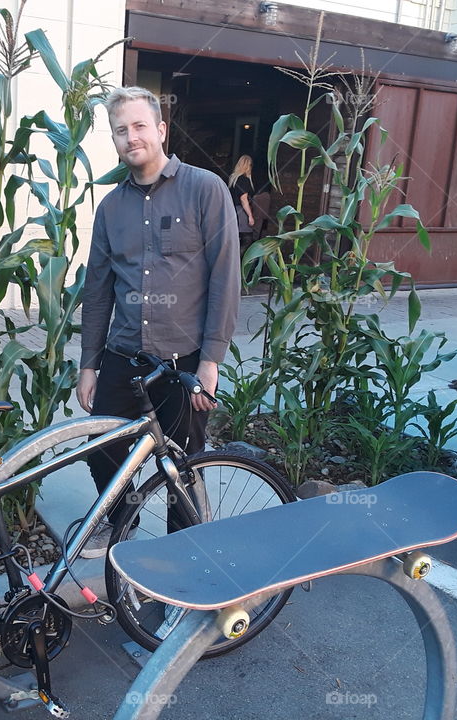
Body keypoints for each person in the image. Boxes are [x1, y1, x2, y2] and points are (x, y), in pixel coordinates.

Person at [76, 86, 240, 558]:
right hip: (123, 356)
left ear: (161, 130)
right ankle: (121, 522)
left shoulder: (205, 190)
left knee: (185, 467)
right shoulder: (110, 209)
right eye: (120, 131)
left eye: (139, 126)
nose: (131, 138)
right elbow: (98, 290)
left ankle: (181, 560)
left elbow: (225, 279)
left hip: (182, 360)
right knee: (102, 450)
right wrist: (90, 364)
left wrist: (210, 361)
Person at [228, 155, 256, 255]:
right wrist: (250, 216)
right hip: (240, 211)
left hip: (231, 210)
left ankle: (232, 261)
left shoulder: (233, 179)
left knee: (235, 238)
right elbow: (243, 199)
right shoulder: (244, 180)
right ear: (248, 166)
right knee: (247, 238)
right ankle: (238, 263)